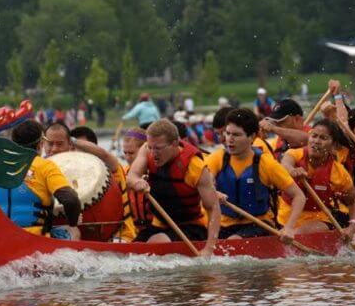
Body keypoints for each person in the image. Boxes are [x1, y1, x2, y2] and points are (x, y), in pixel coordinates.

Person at [204, 109, 306, 240]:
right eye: (228, 133)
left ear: (252, 137)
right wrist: (212, 192)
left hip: (259, 225)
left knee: (233, 241)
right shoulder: (217, 158)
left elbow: (299, 196)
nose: (229, 139)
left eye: (236, 135)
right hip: (224, 225)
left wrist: (289, 227)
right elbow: (206, 184)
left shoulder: (266, 163)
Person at [127, 119, 221, 256]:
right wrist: (137, 182)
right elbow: (131, 177)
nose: (153, 153)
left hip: (191, 226)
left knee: (155, 243)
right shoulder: (147, 149)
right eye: (150, 147)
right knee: (131, 251)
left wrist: (209, 249)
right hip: (159, 225)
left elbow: (213, 208)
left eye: (158, 148)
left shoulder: (195, 166)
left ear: (175, 143)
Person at [48, 123, 137, 242]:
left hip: (120, 234)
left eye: (83, 149)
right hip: (71, 235)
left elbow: (104, 154)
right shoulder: (48, 169)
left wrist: (70, 139)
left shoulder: (110, 168)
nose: (76, 154)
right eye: (73, 149)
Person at [0, 120, 82, 238]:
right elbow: (70, 200)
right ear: (40, 144)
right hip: (34, 238)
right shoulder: (45, 166)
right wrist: (73, 222)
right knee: (73, 231)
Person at [280, 119, 355, 238]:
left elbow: (353, 202)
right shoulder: (294, 154)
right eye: (314, 136)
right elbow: (285, 163)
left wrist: (353, 225)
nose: (316, 141)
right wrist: (293, 170)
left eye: (323, 138)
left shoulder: (338, 172)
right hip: (286, 216)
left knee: (301, 234)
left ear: (333, 145)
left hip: (319, 218)